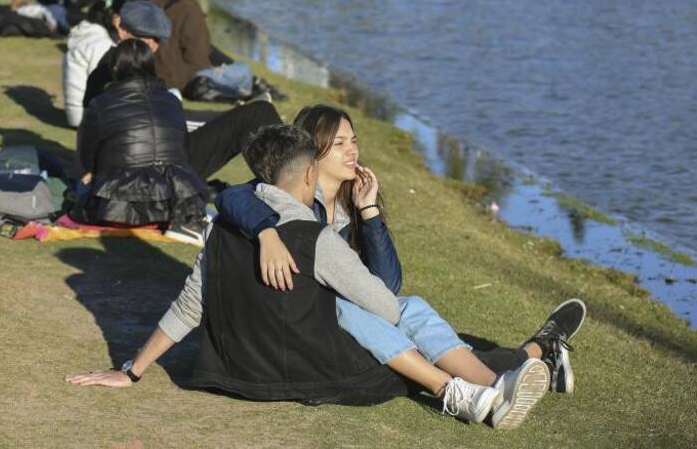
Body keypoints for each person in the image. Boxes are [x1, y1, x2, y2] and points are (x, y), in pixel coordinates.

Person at [66, 124, 556, 427]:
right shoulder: (314, 237)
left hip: (241, 374)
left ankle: (526, 362)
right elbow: (386, 305)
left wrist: (131, 370)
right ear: (306, 177)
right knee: (407, 313)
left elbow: (188, 308)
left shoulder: (222, 230)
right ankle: (498, 382)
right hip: (320, 374)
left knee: (409, 324)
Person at [81, 1, 282, 179]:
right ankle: (290, 187)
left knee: (255, 113)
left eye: (156, 40)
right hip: (156, 172)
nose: (152, 46)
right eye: (145, 37)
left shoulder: (122, 69)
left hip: (159, 163)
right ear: (122, 30)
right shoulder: (111, 73)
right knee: (256, 114)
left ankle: (286, 180)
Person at [74, 39, 210, 235]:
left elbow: (87, 158)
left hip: (117, 207)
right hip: (176, 202)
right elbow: (184, 150)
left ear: (115, 67)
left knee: (81, 187)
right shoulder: (172, 101)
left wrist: (94, 172)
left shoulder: (100, 104)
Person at [149, 0, 255, 100]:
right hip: (182, 80)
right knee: (244, 70)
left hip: (154, 73)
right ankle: (245, 95)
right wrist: (211, 68)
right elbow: (197, 56)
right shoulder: (191, 8)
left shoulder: (153, 1)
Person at [63, 0, 118, 127]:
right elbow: (99, 82)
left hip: (74, 113)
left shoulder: (79, 33)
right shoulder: (100, 43)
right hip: (86, 116)